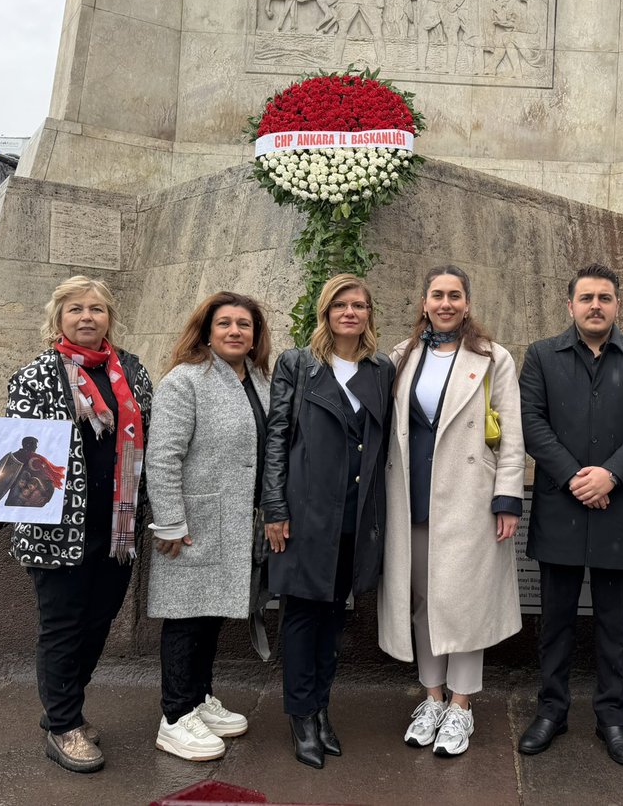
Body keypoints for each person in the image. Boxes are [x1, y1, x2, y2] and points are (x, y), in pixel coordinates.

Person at [0, 276, 152, 773]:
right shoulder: (35, 375)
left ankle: (62, 708)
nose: (87, 316)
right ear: (59, 317)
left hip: (116, 526)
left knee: (98, 622)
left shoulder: (132, 371)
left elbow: (149, 442)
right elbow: (16, 452)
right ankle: (65, 725)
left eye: (96, 308)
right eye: (76, 309)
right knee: (62, 626)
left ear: (110, 317)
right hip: (56, 525)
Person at [517, 263, 623, 767]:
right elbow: (531, 422)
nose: (596, 305)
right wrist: (576, 478)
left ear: (618, 305)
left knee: (613, 622)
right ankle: (551, 711)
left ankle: (613, 718)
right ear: (570, 305)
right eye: (587, 298)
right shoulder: (541, 356)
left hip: (619, 507)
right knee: (555, 621)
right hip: (561, 505)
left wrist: (610, 476)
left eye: (605, 297)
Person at [377, 264, 525, 759]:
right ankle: (432, 698)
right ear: (423, 302)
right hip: (411, 496)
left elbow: (512, 433)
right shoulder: (401, 356)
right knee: (421, 599)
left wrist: (507, 498)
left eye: (454, 295)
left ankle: (461, 705)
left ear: (467, 302)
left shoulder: (491, 357)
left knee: (463, 601)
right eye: (437, 294)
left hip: (469, 497)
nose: (445, 303)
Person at [263, 274, 395, 769]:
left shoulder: (379, 369)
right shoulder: (299, 364)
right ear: (326, 310)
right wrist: (274, 508)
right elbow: (277, 437)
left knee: (335, 616)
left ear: (368, 314)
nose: (350, 312)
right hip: (304, 513)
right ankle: (301, 715)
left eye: (359, 304)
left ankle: (321, 709)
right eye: (341, 304)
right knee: (301, 616)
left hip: (355, 517)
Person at [146, 292, 273, 761]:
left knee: (211, 614)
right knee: (186, 618)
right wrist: (170, 522)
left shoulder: (259, 380)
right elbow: (163, 455)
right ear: (207, 331)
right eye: (225, 323)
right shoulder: (186, 381)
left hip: (236, 524)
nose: (236, 331)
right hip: (193, 523)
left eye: (245, 324)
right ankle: (175, 717)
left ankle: (199, 699)